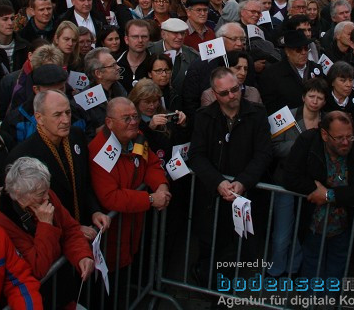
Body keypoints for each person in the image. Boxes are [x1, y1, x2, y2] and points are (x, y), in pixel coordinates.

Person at [188, 67, 272, 284]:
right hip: (212, 198)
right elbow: (197, 155)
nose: (232, 95)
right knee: (210, 244)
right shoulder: (204, 117)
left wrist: (243, 182)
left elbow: (264, 153)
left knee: (239, 247)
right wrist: (218, 182)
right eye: (224, 93)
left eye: (235, 89)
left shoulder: (257, 113)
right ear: (215, 94)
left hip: (245, 197)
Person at [283, 110, 354, 279]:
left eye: (350, 136)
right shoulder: (308, 141)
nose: (346, 142)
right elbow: (290, 177)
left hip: (344, 226)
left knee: (336, 271)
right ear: (325, 135)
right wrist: (313, 188)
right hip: (312, 223)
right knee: (311, 268)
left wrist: (329, 195)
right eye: (339, 138)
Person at [0, 157, 93, 305]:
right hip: (38, 299)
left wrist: (82, 255)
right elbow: (38, 268)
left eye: (46, 191)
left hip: (62, 291)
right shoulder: (2, 221)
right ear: (19, 193)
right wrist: (45, 225)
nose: (46, 197)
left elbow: (70, 229)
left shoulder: (45, 194)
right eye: (40, 194)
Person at [5, 90, 110, 235]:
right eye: (57, 115)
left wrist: (95, 211)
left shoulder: (76, 136)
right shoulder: (23, 155)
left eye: (68, 112)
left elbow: (85, 182)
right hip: (56, 236)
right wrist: (72, 230)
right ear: (39, 118)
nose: (66, 120)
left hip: (86, 228)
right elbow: (29, 209)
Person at [88, 98, 171, 270]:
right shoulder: (100, 151)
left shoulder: (137, 137)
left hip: (133, 227)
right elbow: (110, 197)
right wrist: (150, 199)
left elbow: (151, 164)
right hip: (113, 235)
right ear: (109, 123)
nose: (133, 122)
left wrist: (161, 186)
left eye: (135, 117)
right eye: (126, 119)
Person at [267, 78, 327, 277]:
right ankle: (276, 269)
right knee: (282, 231)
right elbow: (274, 146)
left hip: (312, 183)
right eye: (311, 96)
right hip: (285, 180)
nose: (315, 101)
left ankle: (293, 269)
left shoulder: (326, 122)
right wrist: (301, 147)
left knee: (303, 229)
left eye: (319, 97)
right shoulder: (286, 116)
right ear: (303, 97)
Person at [259, 30, 324, 113]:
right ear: (287, 51)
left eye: (306, 48)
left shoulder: (316, 68)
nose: (304, 52)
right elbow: (270, 106)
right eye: (298, 49)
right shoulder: (271, 74)